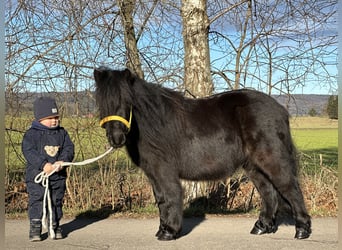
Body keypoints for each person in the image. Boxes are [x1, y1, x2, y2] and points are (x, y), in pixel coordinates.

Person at [22, 96, 74, 241]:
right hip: (37, 176)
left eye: (56, 116)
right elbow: (28, 151)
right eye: (50, 117)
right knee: (37, 200)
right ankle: (35, 228)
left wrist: (62, 161)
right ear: (40, 118)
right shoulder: (31, 134)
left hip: (58, 176)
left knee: (56, 201)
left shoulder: (62, 133)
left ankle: (55, 225)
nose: (54, 120)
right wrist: (43, 164)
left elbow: (69, 149)